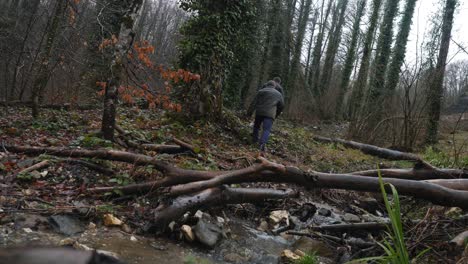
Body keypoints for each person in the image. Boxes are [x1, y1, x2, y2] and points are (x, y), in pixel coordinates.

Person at [247, 80, 285, 151]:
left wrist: (249, 113)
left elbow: (253, 103)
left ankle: (254, 141)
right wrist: (277, 114)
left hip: (259, 112)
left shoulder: (260, 91)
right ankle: (262, 144)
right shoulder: (278, 94)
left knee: (256, 126)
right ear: (274, 86)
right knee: (266, 129)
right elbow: (282, 106)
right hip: (270, 114)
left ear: (267, 85)